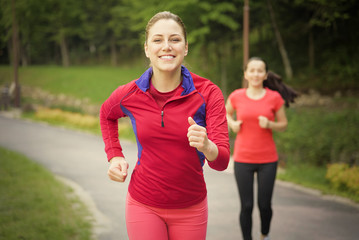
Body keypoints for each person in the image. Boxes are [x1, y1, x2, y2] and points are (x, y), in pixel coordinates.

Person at [99, 11, 230, 240]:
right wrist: (114, 155)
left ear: (185, 47)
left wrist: (207, 146)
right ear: (147, 49)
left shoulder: (209, 93)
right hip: (143, 204)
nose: (166, 46)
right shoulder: (130, 93)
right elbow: (106, 114)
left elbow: (222, 162)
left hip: (191, 207)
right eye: (158, 40)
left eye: (175, 39)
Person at [226, 57, 298, 240]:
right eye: (252, 70)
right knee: (247, 206)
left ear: (265, 75)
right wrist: (232, 123)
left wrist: (270, 124)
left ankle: (264, 234)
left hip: (268, 160)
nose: (255, 74)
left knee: (264, 205)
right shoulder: (236, 96)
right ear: (245, 74)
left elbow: (283, 124)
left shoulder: (274, 98)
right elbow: (225, 114)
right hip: (243, 159)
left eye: (260, 71)